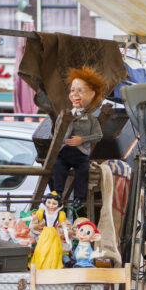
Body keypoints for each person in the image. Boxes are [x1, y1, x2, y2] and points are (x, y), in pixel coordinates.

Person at [52, 66, 105, 212]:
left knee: (83, 170)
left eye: (80, 91)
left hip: (81, 153)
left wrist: (82, 139)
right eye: (72, 90)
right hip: (64, 152)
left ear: (91, 94)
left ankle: (78, 198)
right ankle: (57, 194)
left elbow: (98, 135)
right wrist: (66, 122)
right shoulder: (64, 115)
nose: (75, 94)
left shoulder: (91, 119)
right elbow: (56, 134)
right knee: (58, 167)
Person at [30, 191, 71, 270]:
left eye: (54, 203)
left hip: (53, 233)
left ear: (58, 204)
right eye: (49, 202)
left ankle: (52, 266)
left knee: (54, 250)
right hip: (45, 232)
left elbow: (64, 227)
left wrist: (67, 238)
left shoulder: (60, 214)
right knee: (42, 249)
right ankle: (41, 266)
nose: (51, 205)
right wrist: (22, 219)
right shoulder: (42, 212)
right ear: (45, 202)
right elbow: (33, 218)